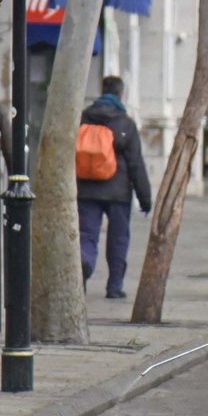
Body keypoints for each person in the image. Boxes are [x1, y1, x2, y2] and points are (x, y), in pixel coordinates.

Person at [77, 76, 152, 299]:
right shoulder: (125, 123)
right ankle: (114, 286)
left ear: (101, 90)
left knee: (86, 234)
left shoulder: (83, 117)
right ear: (121, 94)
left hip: (86, 188)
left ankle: (84, 264)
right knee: (118, 239)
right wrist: (145, 198)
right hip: (118, 192)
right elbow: (136, 163)